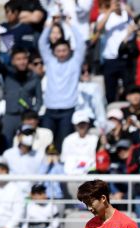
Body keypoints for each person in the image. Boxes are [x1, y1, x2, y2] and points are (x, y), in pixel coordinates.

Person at [39, 20, 86, 150]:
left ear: (69, 50)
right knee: (45, 142)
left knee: (64, 143)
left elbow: (81, 44)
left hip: (68, 109)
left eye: (64, 50)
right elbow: (42, 44)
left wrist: (70, 24)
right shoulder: (49, 62)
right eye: (58, 50)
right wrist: (50, 26)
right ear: (54, 52)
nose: (61, 53)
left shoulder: (75, 62)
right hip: (50, 109)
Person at [0, 46, 42, 146]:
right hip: (9, 115)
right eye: (18, 59)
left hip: (25, 117)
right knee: (6, 142)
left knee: (27, 143)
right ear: (13, 61)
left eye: (24, 58)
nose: (22, 62)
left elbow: (39, 99)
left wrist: (33, 113)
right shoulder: (7, 73)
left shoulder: (34, 77)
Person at [95, 0, 131, 102]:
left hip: (125, 57)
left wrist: (129, 11)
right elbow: (98, 28)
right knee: (110, 90)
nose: (117, 4)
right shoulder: (105, 15)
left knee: (127, 88)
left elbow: (135, 24)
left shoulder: (126, 15)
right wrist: (110, 10)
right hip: (110, 58)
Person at [60, 111, 98, 175]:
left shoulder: (95, 139)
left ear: (88, 124)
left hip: (89, 173)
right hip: (70, 174)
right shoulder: (68, 140)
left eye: (84, 123)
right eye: (79, 124)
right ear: (75, 125)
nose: (82, 126)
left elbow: (94, 161)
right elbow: (64, 160)